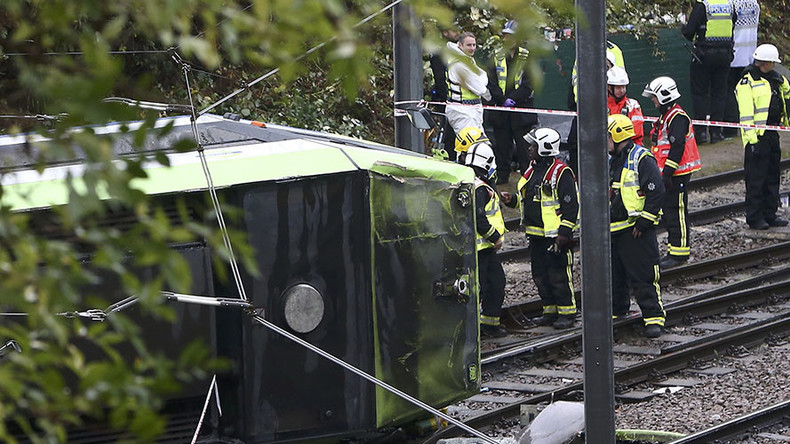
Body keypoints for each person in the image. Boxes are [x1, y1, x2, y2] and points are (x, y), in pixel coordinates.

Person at [501, 127, 578, 329]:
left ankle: (567, 313)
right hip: (536, 234)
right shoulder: (532, 169)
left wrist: (564, 233)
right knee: (540, 275)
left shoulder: (561, 173)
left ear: (544, 147)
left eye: (533, 145)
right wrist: (512, 201)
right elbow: (529, 199)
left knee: (558, 275)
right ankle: (550, 311)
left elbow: (571, 207)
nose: (529, 149)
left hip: (554, 236)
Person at [607, 114, 666, 339]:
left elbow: (657, 192)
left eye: (608, 137)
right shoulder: (613, 160)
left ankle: (654, 317)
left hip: (636, 230)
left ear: (617, 135)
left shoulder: (641, 158)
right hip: (615, 230)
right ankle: (617, 311)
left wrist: (644, 221)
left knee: (643, 275)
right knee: (616, 276)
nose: (606, 141)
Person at [642, 76, 702, 269]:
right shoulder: (667, 116)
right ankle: (673, 250)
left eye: (654, 97)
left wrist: (667, 173)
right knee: (669, 212)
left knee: (677, 212)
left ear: (663, 96)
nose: (653, 100)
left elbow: (677, 147)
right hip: (670, 173)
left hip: (677, 174)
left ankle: (680, 252)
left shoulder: (677, 117)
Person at [735, 43, 790, 230]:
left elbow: (786, 95)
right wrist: (751, 141)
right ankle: (755, 217)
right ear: (765, 63)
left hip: (772, 134)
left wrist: (783, 83)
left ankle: (770, 213)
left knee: (773, 175)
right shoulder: (747, 82)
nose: (774, 66)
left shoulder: (775, 79)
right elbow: (746, 114)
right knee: (756, 180)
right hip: (757, 138)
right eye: (772, 63)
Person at [464, 140, 507, 337]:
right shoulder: (480, 187)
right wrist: (496, 238)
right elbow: (479, 218)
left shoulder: (466, 182)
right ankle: (484, 326)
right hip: (482, 248)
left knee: (490, 284)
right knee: (488, 286)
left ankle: (488, 323)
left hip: (476, 248)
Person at [486, 20, 538, 185]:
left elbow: (529, 84)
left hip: (522, 110)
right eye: (506, 36)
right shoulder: (495, 56)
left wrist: (513, 99)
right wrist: (502, 100)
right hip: (501, 110)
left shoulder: (527, 56)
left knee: (525, 148)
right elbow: (491, 83)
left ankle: (526, 177)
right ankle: (502, 178)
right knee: (502, 147)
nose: (508, 39)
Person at [681, 0, 736, 144]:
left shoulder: (703, 5)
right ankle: (716, 132)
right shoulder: (730, 5)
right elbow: (733, 25)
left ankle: (701, 134)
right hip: (725, 55)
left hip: (703, 56)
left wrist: (683, 26)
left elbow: (689, 32)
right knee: (719, 93)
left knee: (700, 94)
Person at [564, 41, 624, 173]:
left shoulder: (614, 51)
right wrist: (578, 103)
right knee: (574, 143)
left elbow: (619, 79)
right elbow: (575, 78)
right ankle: (577, 179)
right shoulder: (583, 48)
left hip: (606, 107)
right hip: (583, 107)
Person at [724, 0, 760, 138]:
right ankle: (747, 125)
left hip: (733, 55)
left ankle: (730, 129)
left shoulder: (731, 4)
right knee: (746, 93)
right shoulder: (754, 4)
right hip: (750, 56)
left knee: (729, 93)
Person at [444, 32, 491, 138]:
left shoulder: (467, 60)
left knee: (481, 147)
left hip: (472, 110)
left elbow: (483, 75)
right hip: (462, 111)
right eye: (469, 45)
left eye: (474, 45)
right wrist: (480, 80)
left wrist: (480, 79)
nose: (472, 48)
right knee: (468, 147)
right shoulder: (460, 65)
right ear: (460, 45)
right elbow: (480, 89)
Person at [429, 27, 461, 160]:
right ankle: (449, 157)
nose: (457, 33)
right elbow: (440, 79)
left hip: (460, 98)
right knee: (448, 131)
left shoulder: (458, 50)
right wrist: (447, 98)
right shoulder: (438, 52)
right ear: (444, 32)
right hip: (446, 98)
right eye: (454, 30)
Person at [606, 66, 645, 145]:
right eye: (618, 87)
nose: (622, 90)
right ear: (609, 87)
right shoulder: (601, 105)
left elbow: (637, 132)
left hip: (630, 148)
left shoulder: (632, 105)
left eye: (624, 87)